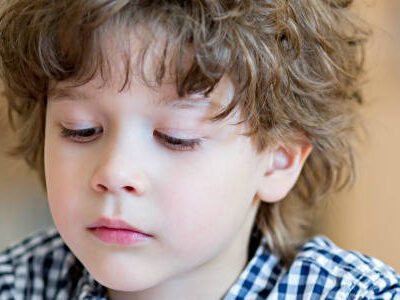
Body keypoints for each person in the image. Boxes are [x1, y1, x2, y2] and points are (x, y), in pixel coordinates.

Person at [0, 0, 399, 299]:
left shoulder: (356, 293)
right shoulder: (17, 284)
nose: (114, 172)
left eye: (176, 137)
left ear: (279, 158)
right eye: (81, 130)